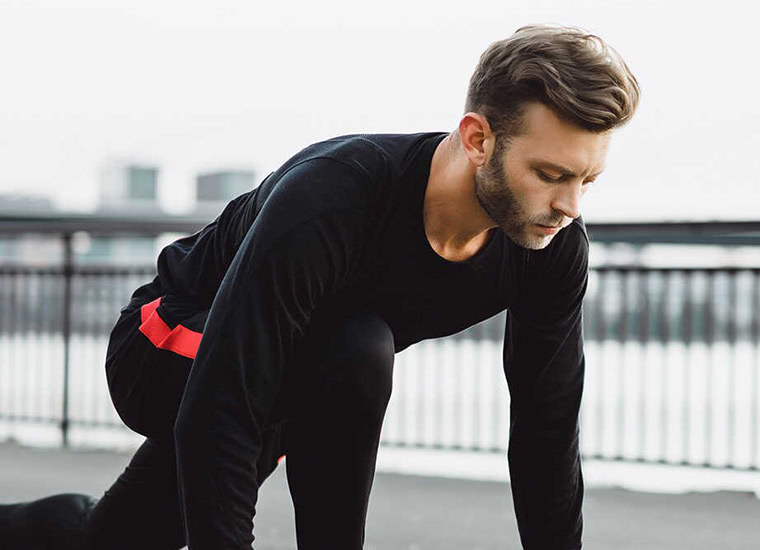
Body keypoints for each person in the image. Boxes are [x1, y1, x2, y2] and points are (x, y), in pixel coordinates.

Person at [0, 23, 640, 550]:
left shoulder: (550, 247)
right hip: (167, 344)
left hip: (288, 374)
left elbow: (546, 426)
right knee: (356, 344)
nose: (570, 205)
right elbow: (225, 399)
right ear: (478, 139)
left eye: (587, 180)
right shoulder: (340, 193)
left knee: (116, 539)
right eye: (551, 173)